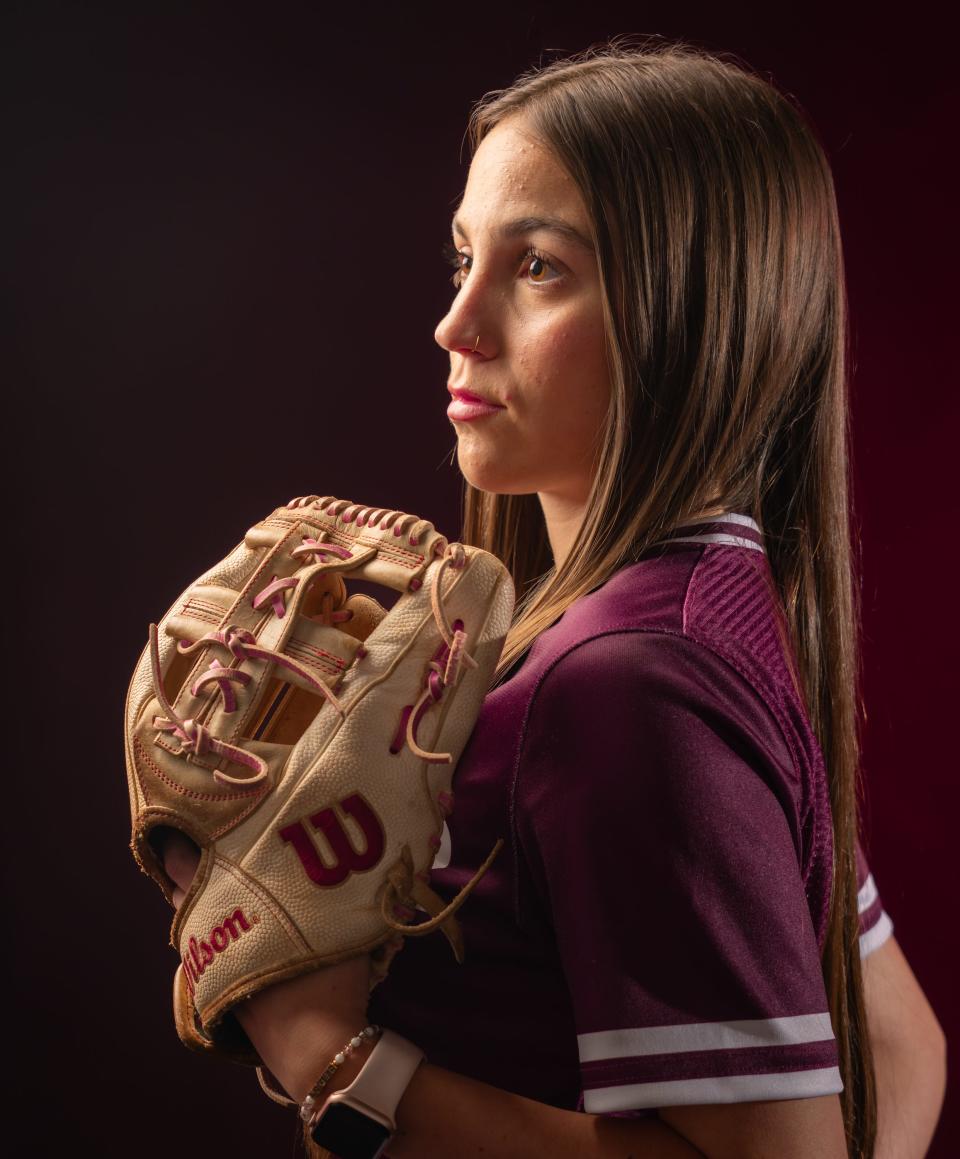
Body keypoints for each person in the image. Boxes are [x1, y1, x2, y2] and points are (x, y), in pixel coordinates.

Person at [160, 39, 946, 1158]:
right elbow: (904, 1045)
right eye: (463, 257)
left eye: (538, 269)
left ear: (692, 313)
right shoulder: (717, 613)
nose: (456, 324)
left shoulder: (626, 686)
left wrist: (328, 1053)